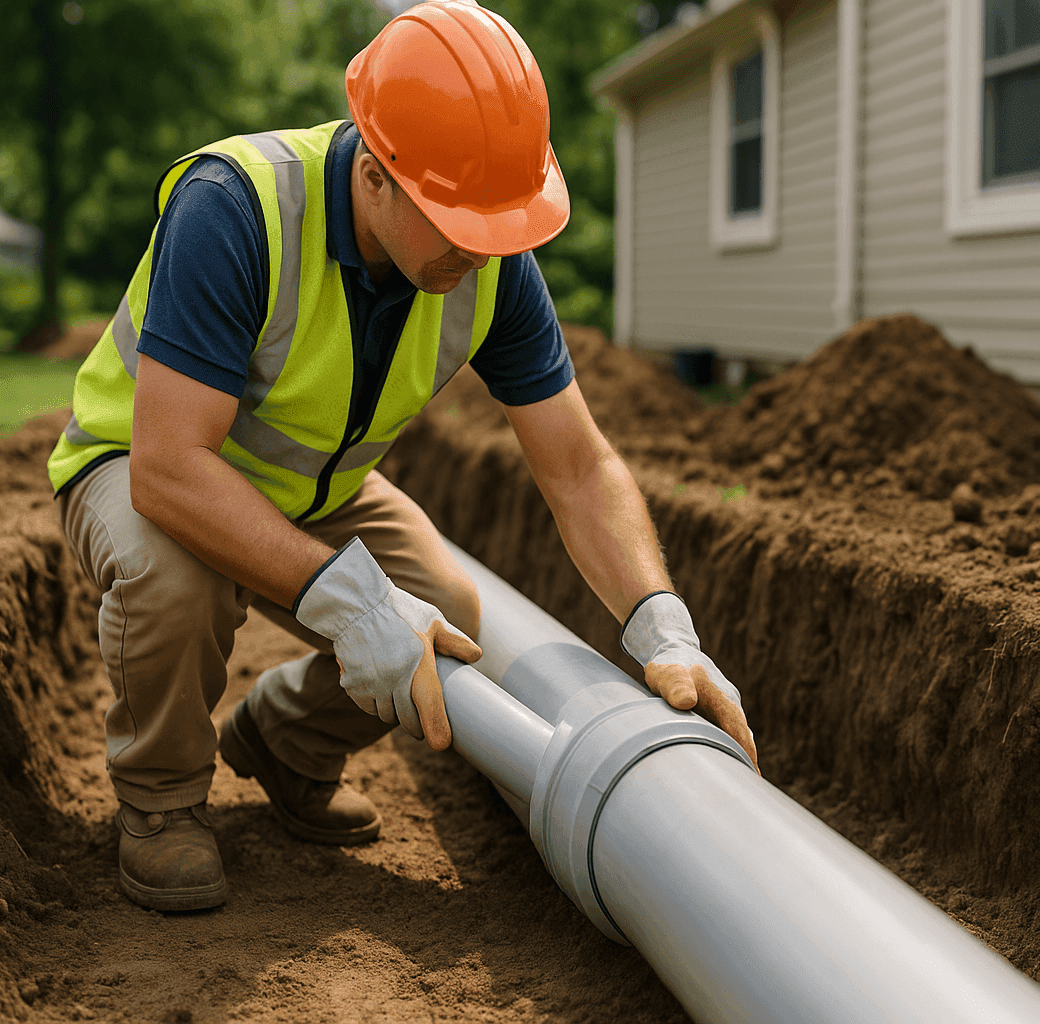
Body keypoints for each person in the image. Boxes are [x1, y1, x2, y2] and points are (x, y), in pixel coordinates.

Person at [46, 0, 757, 912]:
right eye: (457, 218)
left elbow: (578, 467)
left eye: (497, 221)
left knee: (451, 608)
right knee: (174, 580)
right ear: (374, 173)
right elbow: (172, 468)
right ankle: (162, 801)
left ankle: (285, 744)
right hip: (141, 469)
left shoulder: (487, 253)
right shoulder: (235, 208)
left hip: (316, 487)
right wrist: (351, 601)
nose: (481, 247)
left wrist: (661, 627)